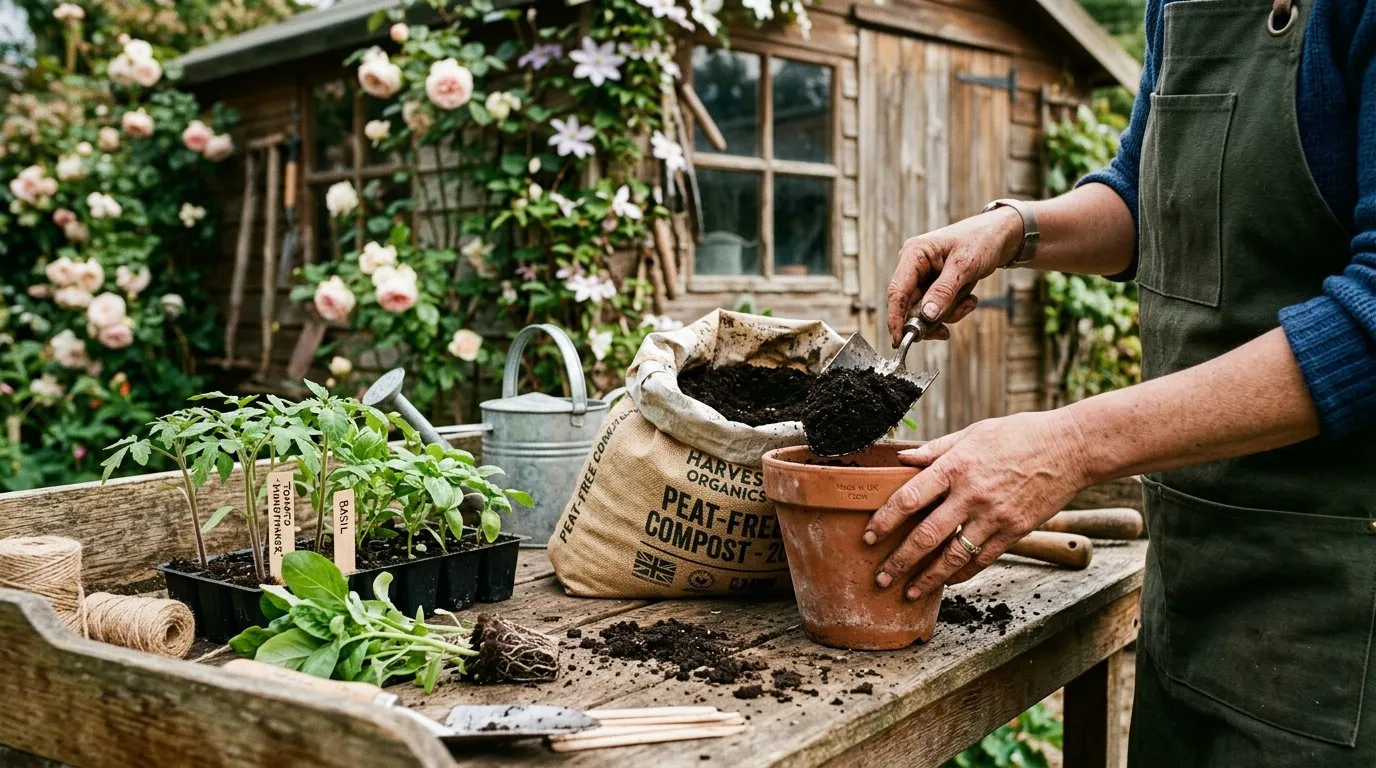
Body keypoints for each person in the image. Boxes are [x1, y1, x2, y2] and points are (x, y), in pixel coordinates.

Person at [868, 0, 1376, 764]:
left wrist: (1073, 442)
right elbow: (1148, 196)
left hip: (1339, 617)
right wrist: (1013, 230)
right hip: (1193, 576)